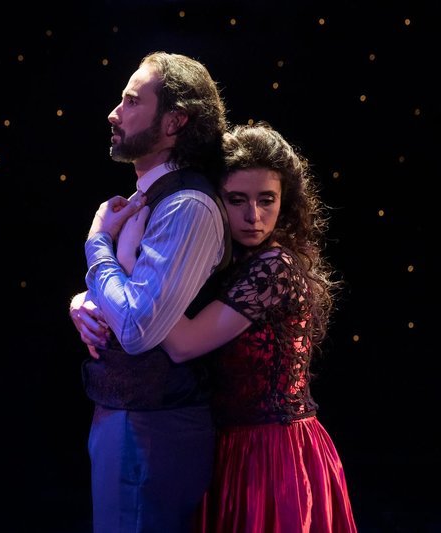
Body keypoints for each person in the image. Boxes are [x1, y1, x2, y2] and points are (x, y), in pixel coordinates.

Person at [102, 122, 358, 532]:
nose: (253, 216)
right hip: (230, 446)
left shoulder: (273, 268)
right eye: (236, 200)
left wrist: (127, 261)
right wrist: (83, 299)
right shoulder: (229, 260)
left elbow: (181, 343)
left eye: (266, 200)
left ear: (285, 202)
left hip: (274, 455)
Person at [69, 51, 231, 532]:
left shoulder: (188, 207)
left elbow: (139, 326)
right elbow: (128, 296)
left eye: (132, 101)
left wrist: (97, 244)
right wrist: (83, 301)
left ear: (174, 122)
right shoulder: (148, 199)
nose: (114, 112)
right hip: (125, 413)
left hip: (153, 426)